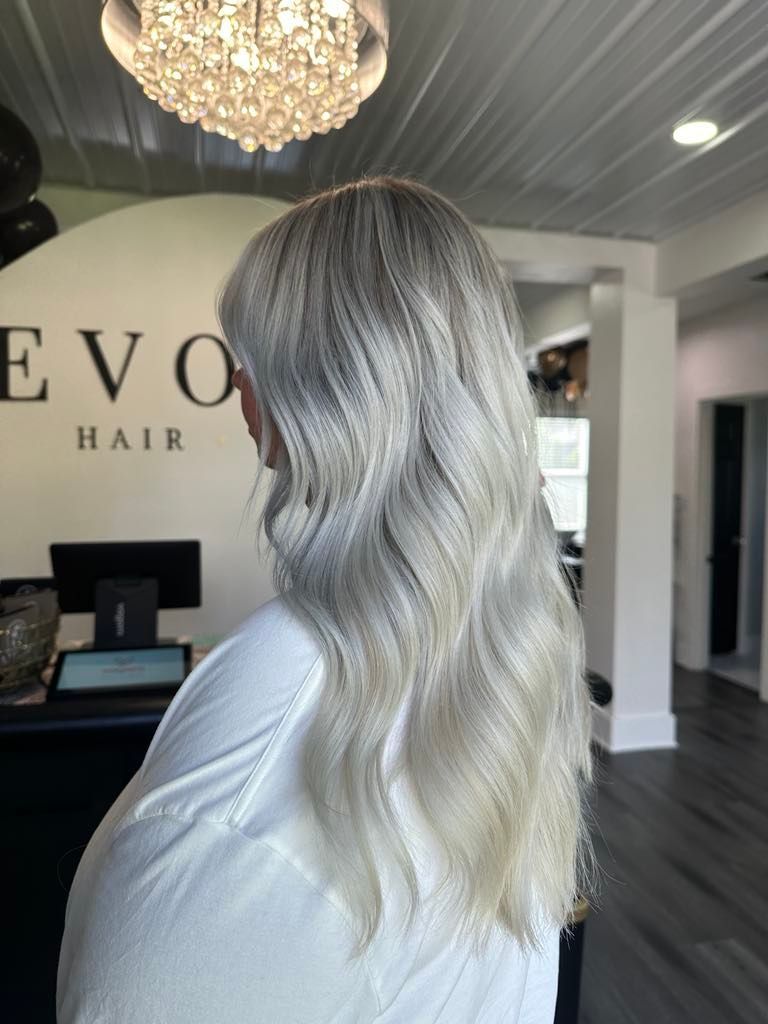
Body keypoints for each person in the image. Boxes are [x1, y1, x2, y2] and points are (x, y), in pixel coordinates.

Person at [57, 177, 592, 1023]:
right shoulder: (506, 640)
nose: (237, 390)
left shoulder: (232, 817)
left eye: (248, 362)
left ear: (314, 392)